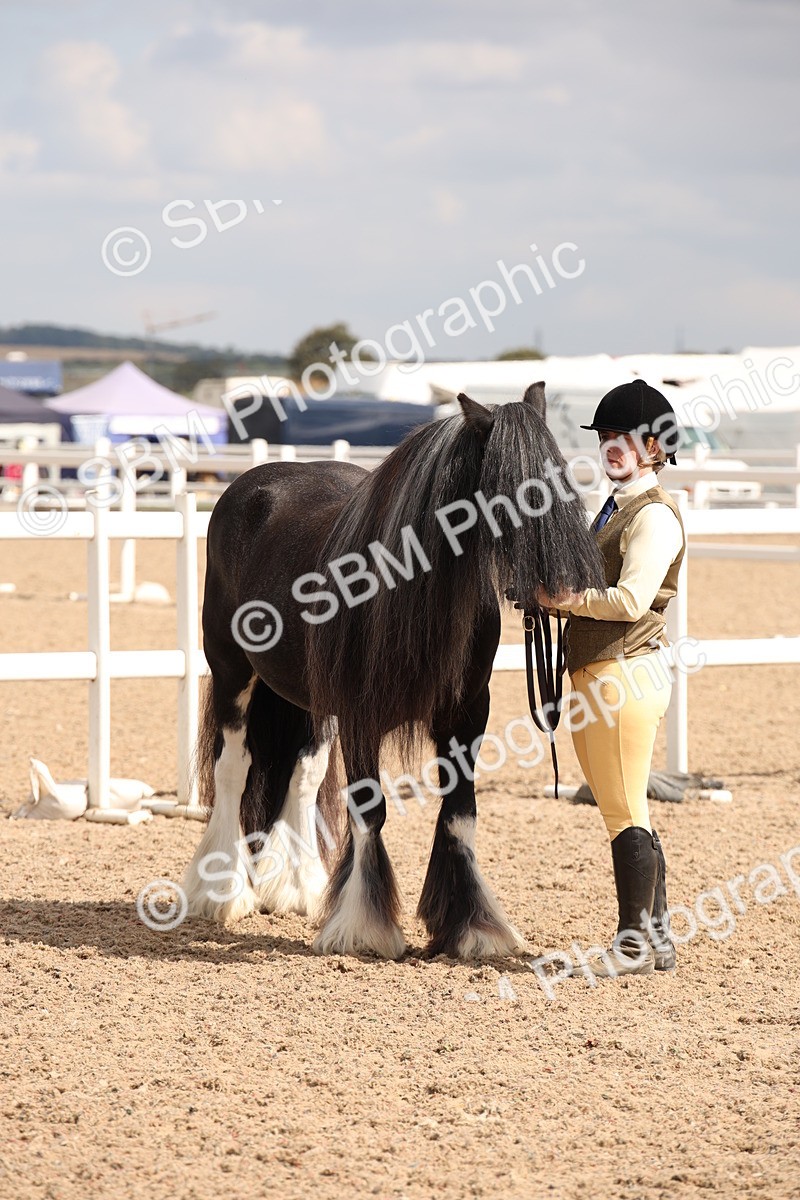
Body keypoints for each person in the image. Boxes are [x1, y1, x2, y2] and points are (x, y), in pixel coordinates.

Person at [539, 379, 685, 978]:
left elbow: (629, 601)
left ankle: (632, 945)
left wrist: (568, 600)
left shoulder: (653, 517)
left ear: (655, 446)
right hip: (599, 676)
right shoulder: (615, 507)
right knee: (623, 807)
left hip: (624, 677)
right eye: (605, 436)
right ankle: (657, 935)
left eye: (624, 436)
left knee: (624, 811)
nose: (610, 446)